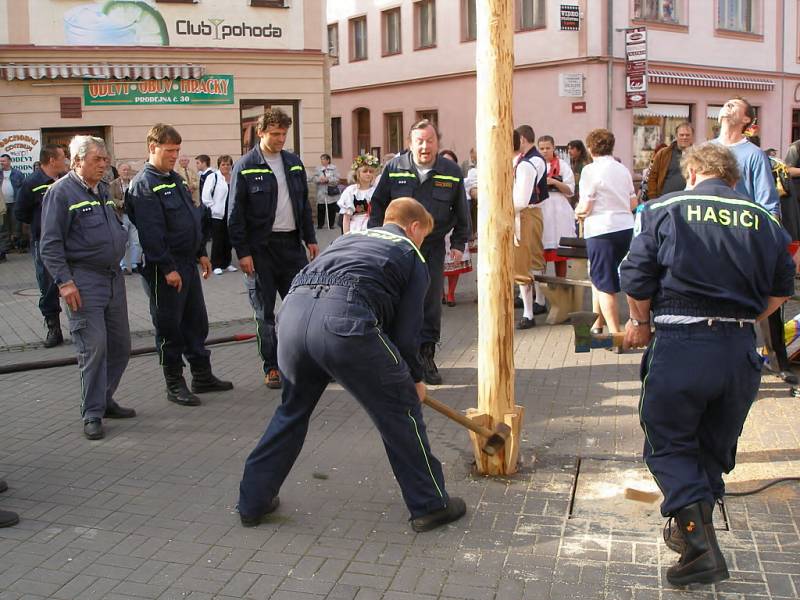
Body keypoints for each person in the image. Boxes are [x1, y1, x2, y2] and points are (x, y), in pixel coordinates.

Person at [620, 142, 795, 587]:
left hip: (682, 343)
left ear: (693, 171)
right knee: (713, 446)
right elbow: (780, 291)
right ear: (733, 179)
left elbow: (636, 277)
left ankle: (700, 548)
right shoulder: (764, 218)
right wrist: (739, 321)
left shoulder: (666, 207)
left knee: (670, 442)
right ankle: (690, 532)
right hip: (739, 351)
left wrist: (640, 321)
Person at [237, 197, 466, 532]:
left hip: (293, 316)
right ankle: (430, 504)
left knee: (291, 411)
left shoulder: (347, 238)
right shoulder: (410, 254)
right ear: (414, 228)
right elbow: (406, 335)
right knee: (400, 410)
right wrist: (414, 379)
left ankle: (252, 502)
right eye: (424, 236)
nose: (422, 243)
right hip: (344, 321)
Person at [126, 124, 233, 407]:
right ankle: (174, 383)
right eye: (169, 150)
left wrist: (201, 253)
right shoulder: (143, 185)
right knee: (169, 328)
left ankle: (202, 375)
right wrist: (167, 267)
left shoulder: (173, 178)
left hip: (187, 263)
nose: (174, 155)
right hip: (165, 270)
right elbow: (151, 233)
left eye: (177, 150)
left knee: (196, 323)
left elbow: (191, 217)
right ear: (152, 147)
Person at [39, 135, 136, 440]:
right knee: (93, 347)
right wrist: (64, 282)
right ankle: (92, 412)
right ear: (78, 160)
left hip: (112, 278)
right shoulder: (60, 193)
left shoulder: (103, 189)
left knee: (120, 346)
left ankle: (104, 400)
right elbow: (50, 244)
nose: (103, 165)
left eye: (105, 159)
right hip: (83, 281)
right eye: (97, 159)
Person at [368, 120, 470, 385]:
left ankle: (426, 356)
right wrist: (376, 238)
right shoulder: (394, 168)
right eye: (419, 141)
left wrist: (459, 244)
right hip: (397, 249)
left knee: (429, 303)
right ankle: (396, 359)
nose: (425, 146)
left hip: (432, 247)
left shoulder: (451, 171)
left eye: (430, 140)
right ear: (410, 143)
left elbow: (462, 212)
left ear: (438, 142)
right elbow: (377, 205)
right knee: (394, 301)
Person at [228, 108, 319, 390]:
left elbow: (303, 204)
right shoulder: (245, 166)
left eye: (284, 134)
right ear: (261, 133)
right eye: (275, 134)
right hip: (260, 251)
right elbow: (235, 214)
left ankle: (302, 362)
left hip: (291, 246)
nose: (281, 139)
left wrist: (311, 238)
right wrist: (243, 252)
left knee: (301, 308)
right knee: (264, 313)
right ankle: (272, 367)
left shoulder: (293, 163)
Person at [575, 129, 636, 338]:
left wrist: (577, 211)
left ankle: (615, 333)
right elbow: (633, 202)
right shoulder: (622, 169)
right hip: (626, 226)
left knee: (603, 283)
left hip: (601, 229)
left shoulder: (590, 170)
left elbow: (586, 206)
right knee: (609, 277)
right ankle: (597, 323)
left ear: (590, 148)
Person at [15, 144, 68, 347]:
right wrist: (41, 224)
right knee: (48, 287)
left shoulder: (65, 180)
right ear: (52, 160)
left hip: (67, 241)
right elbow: (21, 212)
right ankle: (54, 328)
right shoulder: (32, 182)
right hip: (43, 243)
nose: (66, 160)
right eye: (63, 156)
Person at [512, 125, 549, 329]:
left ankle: (532, 310)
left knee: (528, 261)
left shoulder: (529, 163)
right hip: (523, 214)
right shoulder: (521, 161)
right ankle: (535, 304)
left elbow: (521, 200)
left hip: (526, 214)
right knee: (526, 261)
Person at [537, 135, 576, 279]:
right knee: (540, 251)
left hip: (559, 209)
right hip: (541, 207)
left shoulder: (563, 165)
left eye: (548, 148)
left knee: (560, 251)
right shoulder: (535, 165)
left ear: (553, 148)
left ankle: (562, 284)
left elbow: (570, 190)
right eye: (541, 148)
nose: (545, 151)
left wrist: (554, 182)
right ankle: (539, 288)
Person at [439, 150, 472, 306]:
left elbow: (464, 207)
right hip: (438, 226)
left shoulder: (459, 181)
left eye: (451, 161)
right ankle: (440, 294)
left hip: (454, 225)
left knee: (454, 262)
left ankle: (451, 294)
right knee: (438, 263)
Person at [201, 154, 238, 275]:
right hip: (217, 214)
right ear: (219, 165)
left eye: (228, 164)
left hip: (231, 213)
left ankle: (226, 263)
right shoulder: (213, 177)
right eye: (223, 164)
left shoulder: (234, 177)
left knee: (229, 239)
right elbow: (206, 195)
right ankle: (216, 264)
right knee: (218, 239)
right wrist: (213, 207)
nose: (226, 166)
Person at [646, 122, 694, 200]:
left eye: (687, 135)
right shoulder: (664, 153)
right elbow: (652, 176)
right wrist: (653, 198)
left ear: (692, 137)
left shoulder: (698, 155)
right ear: (676, 136)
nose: (684, 137)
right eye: (681, 135)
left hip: (688, 201)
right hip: (665, 200)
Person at [110, 163, 141, 275]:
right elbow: (110, 198)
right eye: (124, 170)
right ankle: (122, 266)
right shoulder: (113, 184)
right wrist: (120, 203)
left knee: (136, 241)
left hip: (133, 215)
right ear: (118, 171)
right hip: (121, 215)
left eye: (128, 170)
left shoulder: (133, 183)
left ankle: (134, 264)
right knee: (122, 242)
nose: (126, 172)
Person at [337, 153, 379, 233]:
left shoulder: (376, 191)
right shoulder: (351, 191)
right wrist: (346, 237)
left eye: (371, 172)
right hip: (355, 229)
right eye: (365, 171)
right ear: (358, 174)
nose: (368, 174)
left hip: (373, 228)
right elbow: (346, 218)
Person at [0, 152, 25, 256]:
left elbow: (23, 188)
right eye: (0, 161)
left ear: (9, 161)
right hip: (2, 204)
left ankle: (17, 245)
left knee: (16, 224)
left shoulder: (18, 174)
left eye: (3, 161)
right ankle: (5, 248)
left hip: (15, 202)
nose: (1, 163)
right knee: (3, 226)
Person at [311, 153, 341, 229]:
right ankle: (320, 224)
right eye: (321, 159)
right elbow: (314, 178)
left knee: (331, 209)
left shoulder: (334, 168)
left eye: (324, 159)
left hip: (331, 191)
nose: (322, 161)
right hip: (321, 192)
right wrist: (319, 180)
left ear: (328, 160)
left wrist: (328, 179)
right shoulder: (318, 169)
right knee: (321, 208)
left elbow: (337, 179)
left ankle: (331, 224)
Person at [567, 139, 592, 207]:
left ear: (579, 150)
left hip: (581, 196)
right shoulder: (573, 162)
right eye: (568, 149)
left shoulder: (585, 164)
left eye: (572, 149)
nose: (569, 151)